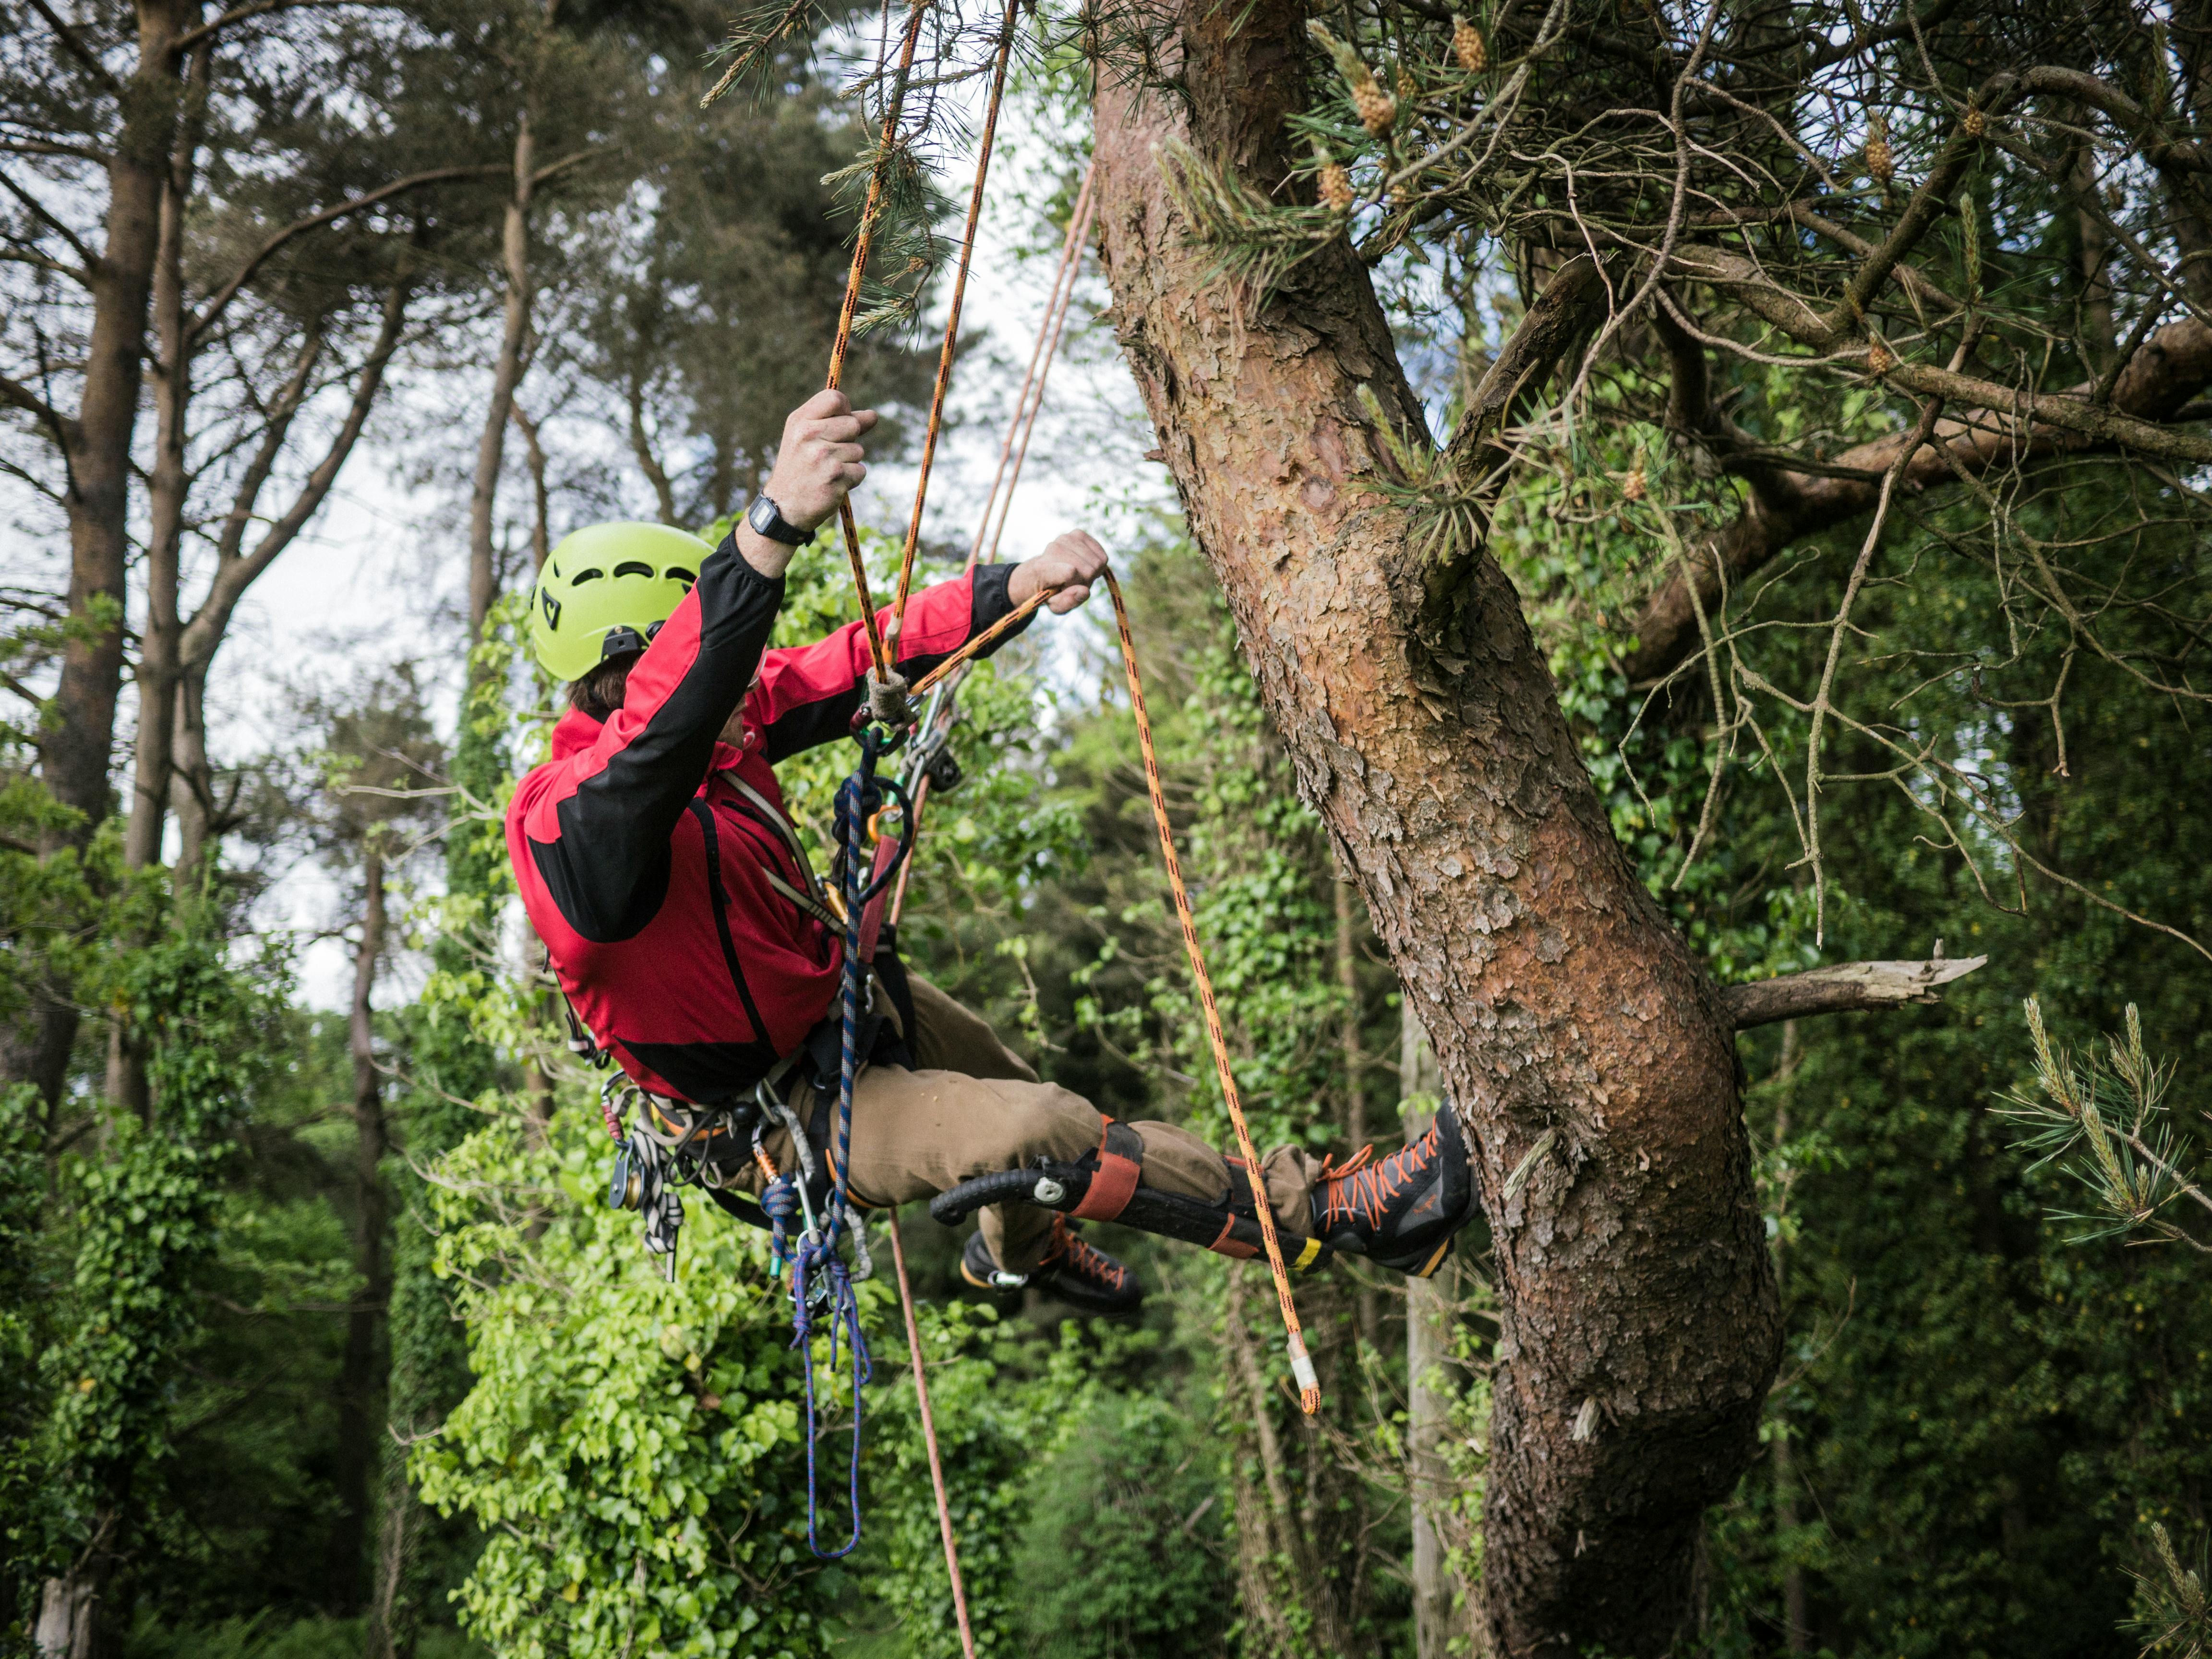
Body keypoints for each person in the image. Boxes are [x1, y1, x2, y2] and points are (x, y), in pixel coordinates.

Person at [506, 388, 1480, 1310]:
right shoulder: (567, 828)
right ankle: (1345, 1220)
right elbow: (652, 754)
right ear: (647, 673)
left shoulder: (732, 717)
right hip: (780, 1118)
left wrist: (1015, 586)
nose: (753, 685)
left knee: (1009, 1082)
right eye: (722, 667)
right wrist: (769, 527)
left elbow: (861, 658)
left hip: (839, 1008)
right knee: (1040, 1131)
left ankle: (1018, 1253)